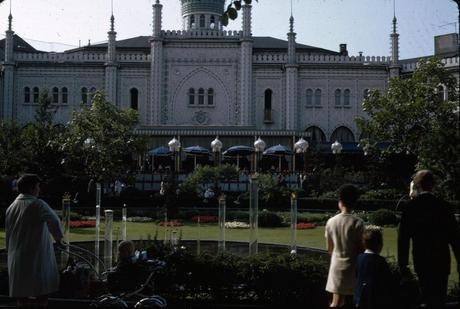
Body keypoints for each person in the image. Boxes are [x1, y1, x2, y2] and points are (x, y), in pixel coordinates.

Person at [398, 170, 460, 309]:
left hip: (421, 259)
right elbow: (455, 238)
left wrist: (403, 265)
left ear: (418, 185)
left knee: (425, 297)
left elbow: (403, 239)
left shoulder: (410, 208)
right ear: (433, 185)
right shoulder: (445, 207)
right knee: (439, 299)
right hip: (441, 260)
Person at [5, 174, 64, 307]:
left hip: (17, 256)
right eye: (37, 186)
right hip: (36, 256)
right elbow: (54, 221)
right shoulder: (37, 204)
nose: (39, 190)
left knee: (21, 296)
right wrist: (59, 240)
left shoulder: (11, 207)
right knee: (42, 294)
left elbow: (9, 233)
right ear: (32, 188)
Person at [325, 184, 364, 308]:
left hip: (336, 266)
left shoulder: (331, 222)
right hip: (353, 267)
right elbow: (361, 249)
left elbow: (329, 249)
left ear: (340, 201)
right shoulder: (358, 223)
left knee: (336, 303)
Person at [353, 225, 393, 309]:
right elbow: (388, 280)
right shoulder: (380, 261)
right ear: (380, 245)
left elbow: (356, 275)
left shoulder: (359, 258)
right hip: (375, 299)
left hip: (359, 297)